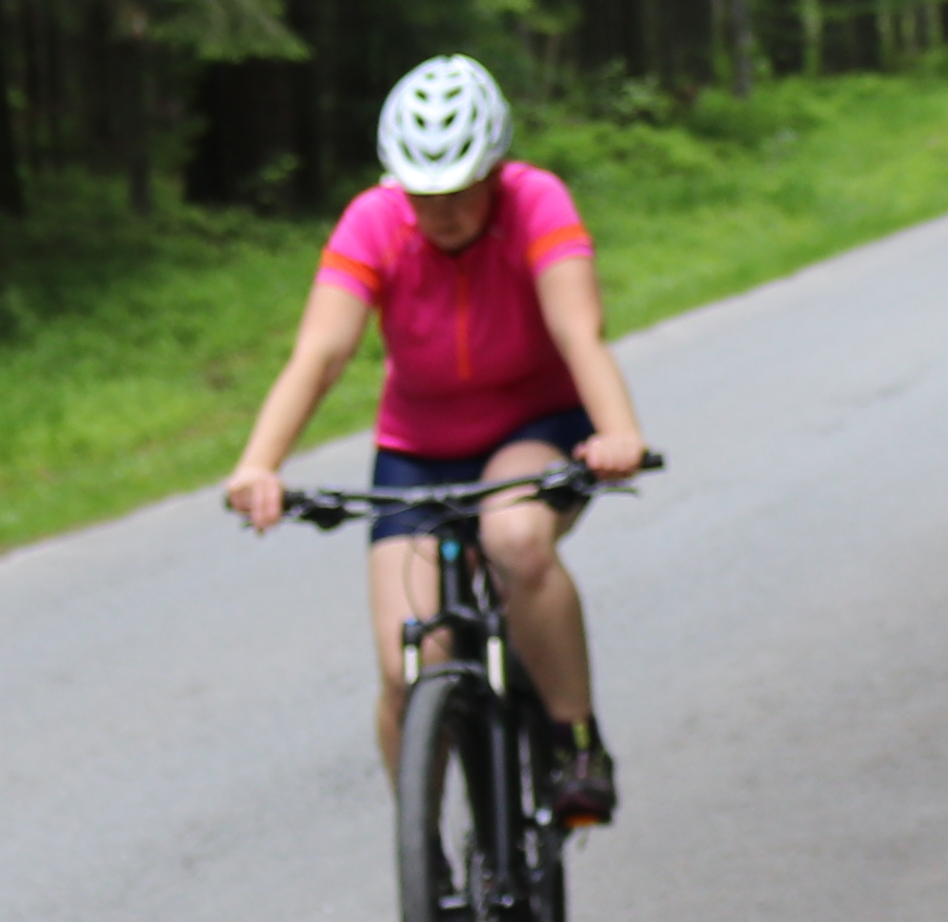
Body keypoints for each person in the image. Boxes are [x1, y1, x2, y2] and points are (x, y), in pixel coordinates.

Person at [221, 54, 654, 818]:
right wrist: (260, 464)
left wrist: (617, 433)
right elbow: (321, 354)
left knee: (516, 540)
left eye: (459, 189)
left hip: (535, 424)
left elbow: (578, 329)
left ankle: (573, 741)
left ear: (495, 170)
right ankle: (425, 848)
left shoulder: (537, 202)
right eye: (424, 193)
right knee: (406, 666)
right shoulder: (374, 221)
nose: (442, 211)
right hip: (418, 449)